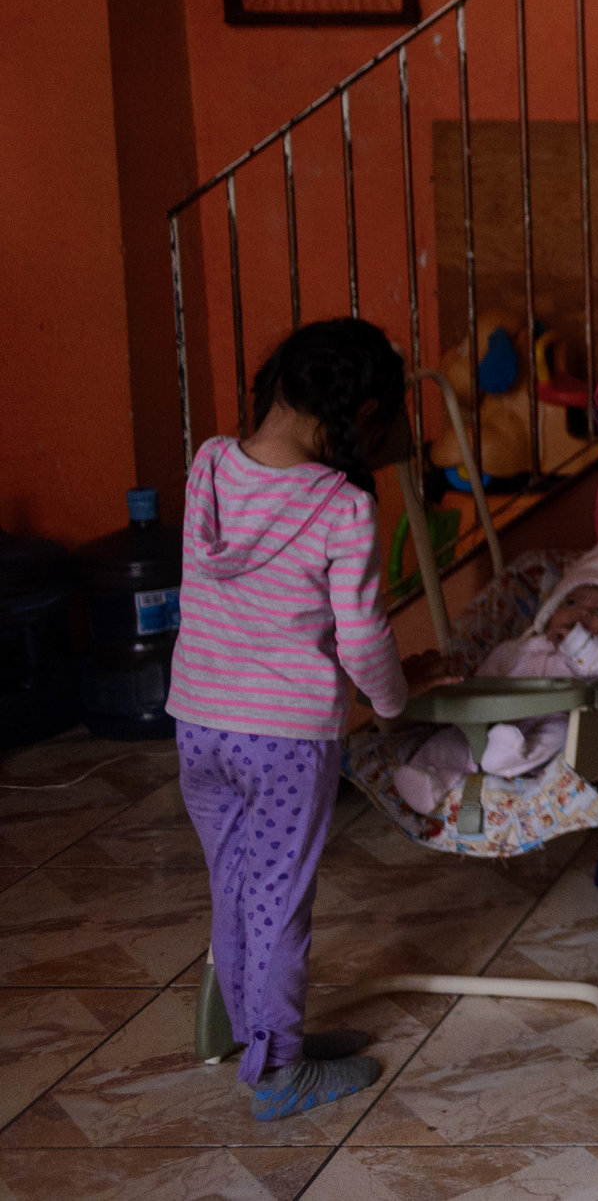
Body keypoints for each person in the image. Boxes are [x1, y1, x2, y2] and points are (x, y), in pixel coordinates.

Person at [166, 317, 414, 1119]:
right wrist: (393, 701)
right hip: (283, 737)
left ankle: (267, 1035)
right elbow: (365, 637)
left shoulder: (207, 467)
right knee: (279, 900)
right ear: (360, 412)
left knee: (235, 885)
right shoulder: (342, 508)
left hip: (199, 723)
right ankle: (278, 1075)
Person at [392, 543, 598, 817]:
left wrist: (577, 641)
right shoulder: (519, 647)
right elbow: (488, 678)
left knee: (563, 734)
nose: (584, 613)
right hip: (497, 719)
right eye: (572, 602)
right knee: (454, 739)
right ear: (551, 611)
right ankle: (426, 780)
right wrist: (473, 700)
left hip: (554, 717)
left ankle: (511, 756)